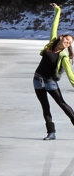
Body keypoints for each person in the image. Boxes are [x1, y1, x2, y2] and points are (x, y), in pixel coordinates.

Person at [33, 3, 74, 140]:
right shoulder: (51, 43)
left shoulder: (64, 56)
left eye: (70, 43)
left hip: (50, 82)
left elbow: (70, 75)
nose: (68, 43)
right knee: (45, 107)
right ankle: (51, 133)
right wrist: (58, 11)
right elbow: (54, 26)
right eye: (67, 40)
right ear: (61, 38)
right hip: (37, 80)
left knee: (62, 104)